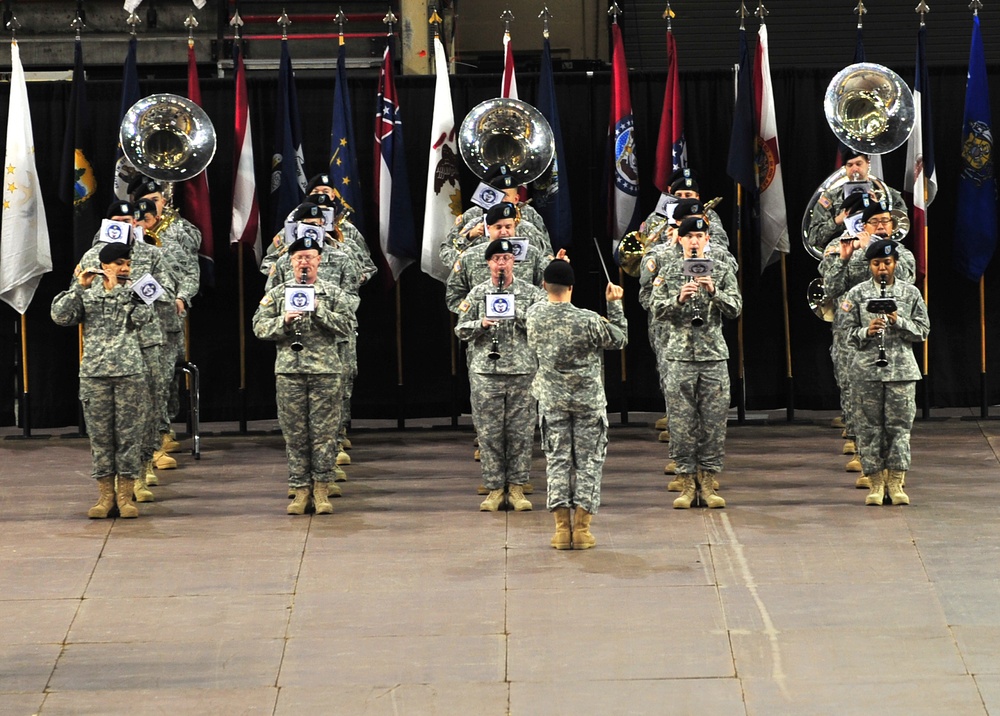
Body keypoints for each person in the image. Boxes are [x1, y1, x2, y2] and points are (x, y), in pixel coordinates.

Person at [526, 259, 628, 549]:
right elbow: (619, 340)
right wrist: (615, 306)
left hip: (552, 402)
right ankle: (581, 530)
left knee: (557, 462)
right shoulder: (588, 320)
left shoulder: (533, 315)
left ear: (544, 285)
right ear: (572, 287)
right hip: (587, 403)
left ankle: (561, 530)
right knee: (588, 464)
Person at [252, 235, 355, 515]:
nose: (304, 262)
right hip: (290, 372)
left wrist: (320, 310)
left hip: (325, 372)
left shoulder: (333, 293)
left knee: (324, 434)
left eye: (309, 257)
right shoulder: (278, 294)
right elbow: (259, 328)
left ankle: (322, 490)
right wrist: (283, 321)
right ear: (290, 262)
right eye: (299, 258)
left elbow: (347, 326)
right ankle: (300, 491)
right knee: (295, 435)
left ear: (319, 260)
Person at [51, 241, 154, 519]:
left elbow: (143, 318)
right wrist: (78, 286)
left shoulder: (138, 290)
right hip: (95, 375)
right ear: (104, 265)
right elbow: (60, 316)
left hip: (129, 372)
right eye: (119, 263)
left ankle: (125, 497)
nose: (124, 268)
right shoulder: (87, 291)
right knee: (100, 438)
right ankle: (105, 497)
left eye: (127, 264)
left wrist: (119, 289)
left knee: (129, 437)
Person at [820, 196, 915, 483]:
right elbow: (831, 289)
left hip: (891, 336)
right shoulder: (839, 246)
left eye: (887, 221)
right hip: (853, 334)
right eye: (876, 222)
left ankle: (887, 466)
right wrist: (849, 257)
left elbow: (907, 282)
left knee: (892, 407)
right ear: (864, 223)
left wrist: (881, 253)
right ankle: (864, 459)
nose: (883, 226)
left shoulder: (901, 253)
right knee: (855, 394)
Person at [649, 217, 742, 509]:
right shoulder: (668, 271)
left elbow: (736, 308)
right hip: (679, 357)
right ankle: (687, 483)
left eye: (699, 236)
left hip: (713, 356)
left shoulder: (723, 268)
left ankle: (708, 481)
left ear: (706, 240)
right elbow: (655, 309)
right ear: (680, 239)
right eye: (688, 236)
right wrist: (677, 299)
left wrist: (714, 292)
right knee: (681, 424)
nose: (693, 241)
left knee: (713, 423)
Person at [455, 238, 546, 512]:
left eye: (506, 259)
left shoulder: (531, 293)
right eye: (496, 259)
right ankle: (495, 488)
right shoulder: (477, 293)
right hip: (487, 373)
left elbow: (543, 326)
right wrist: (481, 324)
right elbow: (461, 329)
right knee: (490, 433)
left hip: (521, 372)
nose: (501, 264)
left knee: (520, 433)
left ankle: (517, 488)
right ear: (488, 263)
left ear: (513, 262)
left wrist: (516, 314)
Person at [841, 239, 929, 506]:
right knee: (869, 430)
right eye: (877, 263)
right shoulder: (856, 294)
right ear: (870, 265)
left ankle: (896, 482)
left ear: (895, 264)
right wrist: (866, 331)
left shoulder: (910, 293)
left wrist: (897, 320)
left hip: (901, 372)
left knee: (899, 429)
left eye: (887, 263)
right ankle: (876, 483)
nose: (882, 268)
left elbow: (922, 330)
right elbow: (845, 334)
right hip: (866, 373)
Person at [129, 175, 200, 464]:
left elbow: (191, 271)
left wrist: (183, 298)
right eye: (145, 202)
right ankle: (148, 438)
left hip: (168, 316)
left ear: (165, 201)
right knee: (141, 378)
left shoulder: (181, 231)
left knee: (165, 376)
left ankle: (163, 429)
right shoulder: (123, 231)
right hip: (134, 321)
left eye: (156, 200)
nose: (151, 206)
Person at [445, 202, 547, 314]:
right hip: (484, 328)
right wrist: (474, 315)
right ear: (488, 228)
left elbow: (546, 290)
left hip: (522, 326)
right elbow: (454, 294)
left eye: (508, 227)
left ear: (514, 227)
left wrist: (531, 315)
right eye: (498, 227)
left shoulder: (532, 254)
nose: (504, 232)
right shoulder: (470, 256)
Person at [805, 149, 905, 253]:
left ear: (868, 163)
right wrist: (838, 220)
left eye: (859, 164)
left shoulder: (889, 195)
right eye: (850, 165)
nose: (855, 169)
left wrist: (877, 210)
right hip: (842, 257)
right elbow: (813, 239)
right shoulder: (830, 197)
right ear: (845, 168)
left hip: (880, 257)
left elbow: (899, 230)